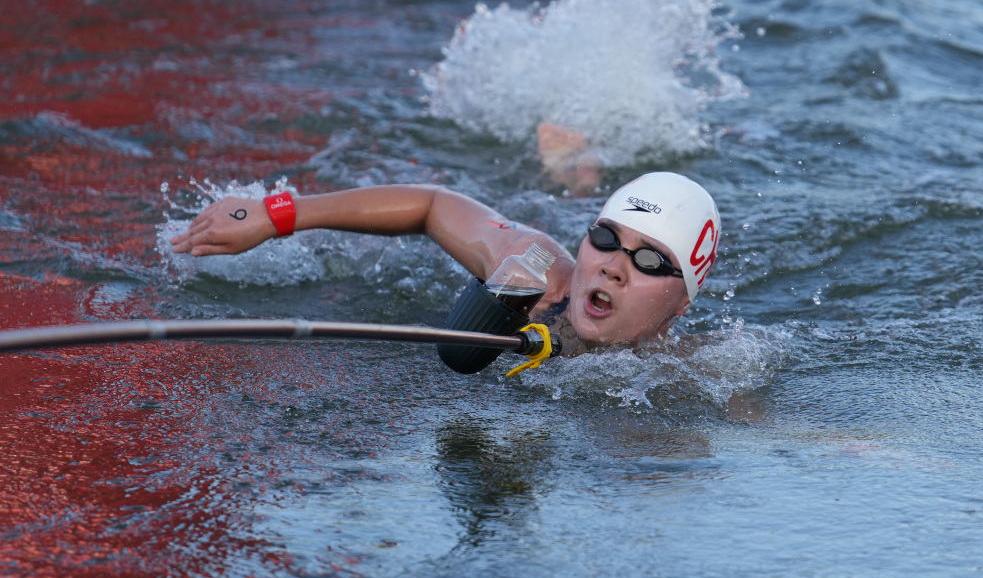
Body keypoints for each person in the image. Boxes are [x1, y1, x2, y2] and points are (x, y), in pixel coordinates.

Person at [169, 172, 720, 355]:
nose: (612, 266)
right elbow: (433, 205)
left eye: (650, 260)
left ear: (681, 303)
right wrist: (276, 212)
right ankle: (572, 167)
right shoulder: (534, 271)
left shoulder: (690, 372)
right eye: (604, 237)